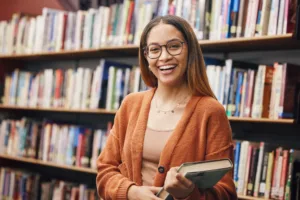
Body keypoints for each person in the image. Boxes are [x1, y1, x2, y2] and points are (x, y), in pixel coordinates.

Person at [96, 15, 237, 200]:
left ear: (190, 50)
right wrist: (132, 193)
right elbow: (105, 172)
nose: (164, 57)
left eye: (174, 46)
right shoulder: (130, 105)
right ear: (146, 56)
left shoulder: (211, 111)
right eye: (154, 49)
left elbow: (226, 194)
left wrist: (188, 194)